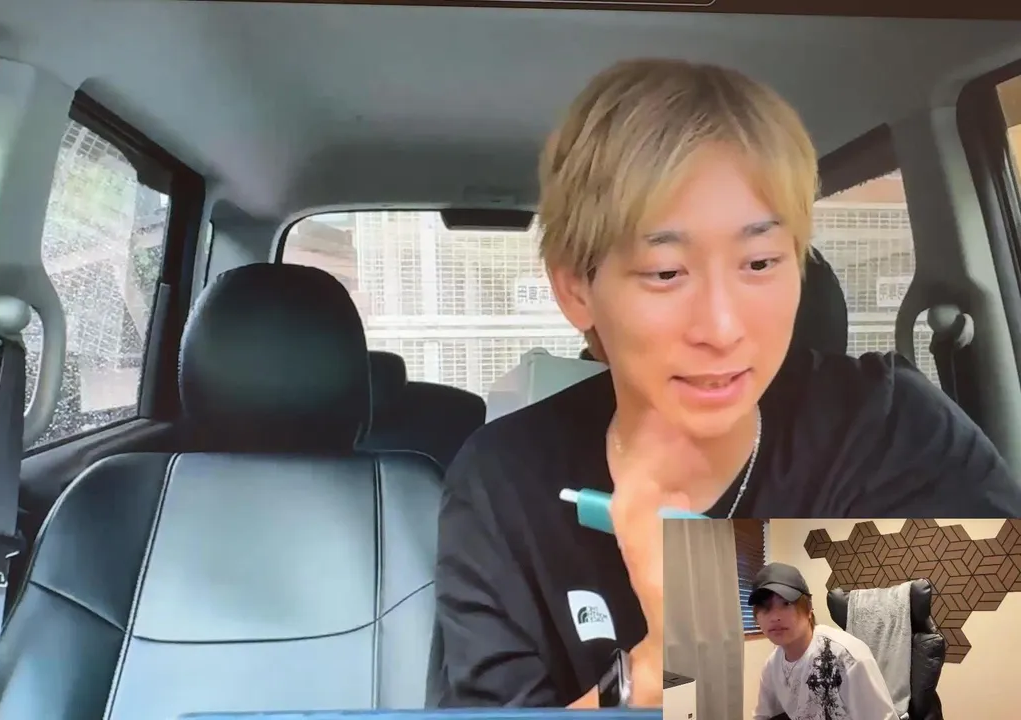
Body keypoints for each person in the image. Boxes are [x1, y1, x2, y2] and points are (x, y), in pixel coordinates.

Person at [429, 57, 1021, 709]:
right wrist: (662, 666)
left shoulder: (891, 431)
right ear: (577, 289)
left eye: (760, 262)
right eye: (665, 272)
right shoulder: (503, 485)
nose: (721, 326)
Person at [749, 563, 899, 720]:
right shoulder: (772, 665)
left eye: (786, 604)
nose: (775, 617)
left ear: (809, 608)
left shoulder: (846, 658)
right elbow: (763, 716)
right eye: (765, 607)